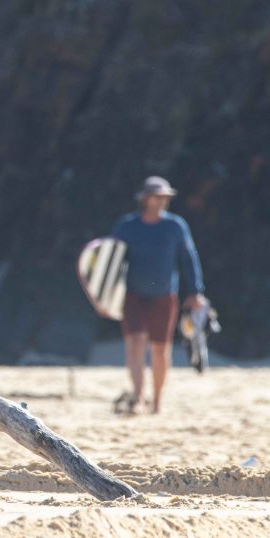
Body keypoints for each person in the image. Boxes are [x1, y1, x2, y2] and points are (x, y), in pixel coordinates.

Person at [112, 176, 206, 415]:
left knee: (160, 349)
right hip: (133, 295)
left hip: (164, 295)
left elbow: (189, 258)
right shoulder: (127, 227)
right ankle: (138, 398)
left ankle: (157, 401)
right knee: (135, 344)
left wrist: (195, 291)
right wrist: (105, 297)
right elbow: (111, 261)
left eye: (165, 197)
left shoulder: (175, 226)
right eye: (157, 196)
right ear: (146, 198)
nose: (162, 201)